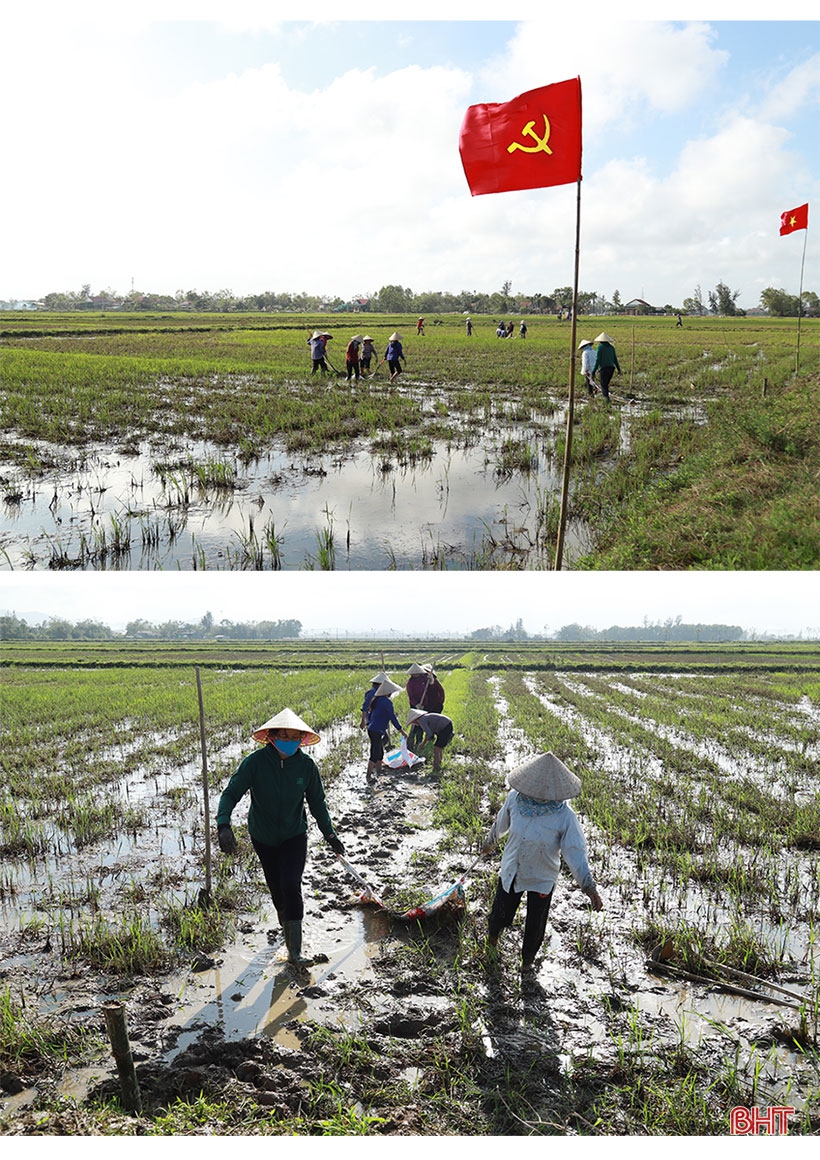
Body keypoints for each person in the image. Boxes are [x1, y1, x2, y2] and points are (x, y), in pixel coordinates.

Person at [216, 708, 345, 966]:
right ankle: (286, 927)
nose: (289, 740)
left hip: (294, 834)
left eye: (294, 736)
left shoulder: (306, 766)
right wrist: (223, 825)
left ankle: (295, 953)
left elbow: (317, 803)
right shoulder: (255, 763)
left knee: (291, 884)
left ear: (301, 739)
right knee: (276, 889)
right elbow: (231, 793)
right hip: (262, 836)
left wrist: (330, 834)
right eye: (284, 735)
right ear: (272, 737)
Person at [481, 752, 603, 972]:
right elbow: (500, 824)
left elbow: (575, 852)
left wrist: (589, 886)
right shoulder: (515, 800)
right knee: (500, 912)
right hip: (512, 869)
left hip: (542, 876)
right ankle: (491, 944)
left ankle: (527, 963)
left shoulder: (564, 815)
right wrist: (489, 843)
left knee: (535, 923)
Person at [365, 678, 407, 781]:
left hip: (372, 729)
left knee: (380, 753)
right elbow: (393, 718)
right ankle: (368, 776)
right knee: (375, 754)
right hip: (376, 730)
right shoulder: (386, 702)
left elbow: (370, 714)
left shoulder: (377, 700)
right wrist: (401, 731)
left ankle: (379, 772)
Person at [405, 707, 453, 772]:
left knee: (436, 748)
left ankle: (436, 768)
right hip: (447, 724)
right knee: (439, 747)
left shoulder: (421, 720)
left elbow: (429, 734)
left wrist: (422, 744)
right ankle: (439, 764)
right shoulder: (424, 717)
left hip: (445, 726)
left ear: (415, 719)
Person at [592, 332, 621, 402]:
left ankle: (606, 399)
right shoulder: (612, 348)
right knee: (606, 384)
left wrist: (593, 371)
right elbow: (615, 359)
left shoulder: (600, 347)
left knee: (603, 384)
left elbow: (598, 360)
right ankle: (606, 396)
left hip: (603, 369)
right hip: (611, 369)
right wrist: (618, 369)